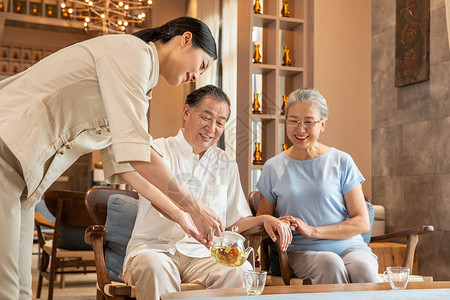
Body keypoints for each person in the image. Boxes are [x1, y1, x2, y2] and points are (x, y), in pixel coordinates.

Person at [0, 17, 224, 299]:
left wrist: (181, 216)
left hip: (23, 180)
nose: (197, 76)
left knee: (20, 289)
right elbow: (140, 155)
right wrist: (193, 206)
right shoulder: (133, 54)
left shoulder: (138, 86)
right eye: (201, 64)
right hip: (6, 151)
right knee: (6, 287)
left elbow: (129, 166)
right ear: (186, 39)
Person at [123, 85, 292, 300]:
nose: (211, 128)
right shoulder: (158, 151)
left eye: (220, 123)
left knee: (239, 271)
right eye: (206, 117)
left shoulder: (226, 163)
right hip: (155, 248)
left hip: (205, 255)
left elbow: (232, 224)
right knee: (155, 269)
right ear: (186, 112)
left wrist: (265, 219)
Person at [256, 88, 381, 284]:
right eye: (294, 120)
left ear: (322, 125)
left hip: (350, 247)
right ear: (285, 121)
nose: (300, 129)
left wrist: (313, 230)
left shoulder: (342, 161)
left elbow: (361, 222)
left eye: (308, 121)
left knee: (364, 268)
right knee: (329, 263)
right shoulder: (273, 167)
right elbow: (262, 221)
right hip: (301, 250)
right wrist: (277, 225)